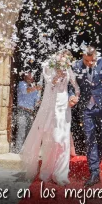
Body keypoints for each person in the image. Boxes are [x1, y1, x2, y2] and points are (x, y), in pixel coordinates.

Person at [20, 50, 79, 186]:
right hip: (51, 106)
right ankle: (46, 171)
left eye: (67, 59)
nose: (64, 61)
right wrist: (56, 77)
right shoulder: (48, 66)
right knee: (50, 138)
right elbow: (48, 86)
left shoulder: (68, 68)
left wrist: (74, 98)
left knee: (62, 138)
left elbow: (76, 87)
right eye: (63, 57)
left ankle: (61, 173)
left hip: (64, 106)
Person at [70, 45, 102, 187]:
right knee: (90, 138)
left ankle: (97, 159)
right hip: (86, 108)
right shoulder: (76, 65)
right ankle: (94, 171)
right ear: (82, 57)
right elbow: (71, 84)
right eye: (86, 60)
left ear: (96, 57)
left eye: (92, 60)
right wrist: (71, 95)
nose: (89, 63)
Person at [15, 72, 42, 153]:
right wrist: (36, 88)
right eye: (29, 75)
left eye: (32, 76)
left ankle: (26, 151)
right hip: (22, 111)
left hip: (30, 112)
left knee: (29, 133)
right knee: (21, 131)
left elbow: (37, 101)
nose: (30, 77)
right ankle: (18, 151)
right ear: (25, 76)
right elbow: (25, 91)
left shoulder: (34, 88)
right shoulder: (21, 84)